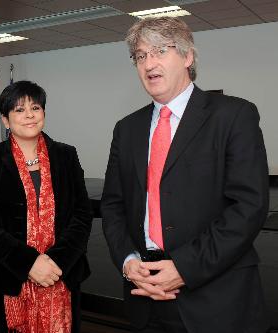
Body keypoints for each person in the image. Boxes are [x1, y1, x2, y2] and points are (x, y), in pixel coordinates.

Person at [101, 17, 269, 333]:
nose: (149, 63)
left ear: (188, 57)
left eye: (160, 51)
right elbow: (112, 205)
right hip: (145, 297)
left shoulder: (233, 116)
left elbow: (248, 207)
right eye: (140, 55)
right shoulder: (127, 129)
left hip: (218, 301)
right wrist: (127, 262)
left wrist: (184, 267)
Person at [0, 80, 93, 332]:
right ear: (5, 119)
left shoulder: (66, 155)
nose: (29, 115)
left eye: (35, 108)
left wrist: (55, 263)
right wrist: (28, 264)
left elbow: (82, 215)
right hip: (8, 277)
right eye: (19, 110)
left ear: (44, 113)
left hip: (62, 274)